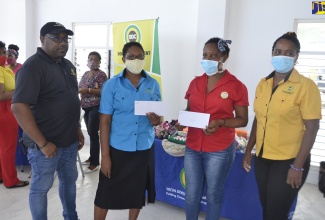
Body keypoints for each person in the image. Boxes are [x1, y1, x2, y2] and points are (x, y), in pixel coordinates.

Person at [242, 32, 321, 220]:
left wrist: (298, 166)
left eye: (288, 52)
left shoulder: (306, 86)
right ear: (272, 54)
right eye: (278, 51)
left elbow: (312, 128)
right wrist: (248, 150)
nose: (282, 56)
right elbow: (259, 119)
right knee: (267, 207)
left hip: (289, 160)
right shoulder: (264, 84)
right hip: (263, 157)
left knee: (276, 213)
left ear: (296, 56)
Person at [11, 22, 84, 220]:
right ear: (42, 39)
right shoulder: (33, 67)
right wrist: (43, 143)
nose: (63, 43)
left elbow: (71, 99)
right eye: (56, 38)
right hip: (45, 146)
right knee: (40, 189)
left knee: (69, 183)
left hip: (68, 142)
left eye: (65, 39)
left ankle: (71, 216)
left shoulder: (68, 66)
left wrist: (77, 128)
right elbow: (18, 107)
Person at [94, 41, 161, 220]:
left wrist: (157, 121)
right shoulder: (112, 85)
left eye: (140, 56)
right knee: (105, 193)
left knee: (136, 192)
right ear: (123, 59)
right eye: (131, 57)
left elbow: (159, 117)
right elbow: (105, 121)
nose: (136, 60)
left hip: (143, 148)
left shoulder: (153, 84)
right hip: (118, 148)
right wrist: (105, 156)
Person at [183, 37, 249, 220]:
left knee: (213, 195)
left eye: (214, 56)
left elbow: (243, 120)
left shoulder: (236, 86)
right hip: (193, 146)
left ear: (224, 58)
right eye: (205, 55)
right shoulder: (195, 83)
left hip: (219, 149)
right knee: (191, 195)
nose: (207, 59)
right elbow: (189, 110)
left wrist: (221, 122)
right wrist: (183, 118)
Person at [0, 41, 29, 188]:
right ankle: (10, 180)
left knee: (2, 147)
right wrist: (17, 92)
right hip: (4, 110)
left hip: (7, 109)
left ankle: (2, 176)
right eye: (3, 52)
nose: (5, 55)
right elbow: (1, 95)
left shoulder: (5, 69)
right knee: (8, 147)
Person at [78, 51, 108, 173]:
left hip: (96, 107)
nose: (93, 61)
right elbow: (79, 87)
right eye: (90, 59)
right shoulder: (85, 74)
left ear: (100, 62)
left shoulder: (102, 75)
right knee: (91, 134)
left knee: (93, 133)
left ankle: (95, 163)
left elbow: (103, 91)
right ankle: (92, 157)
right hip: (85, 107)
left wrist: (88, 90)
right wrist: (83, 90)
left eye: (96, 59)